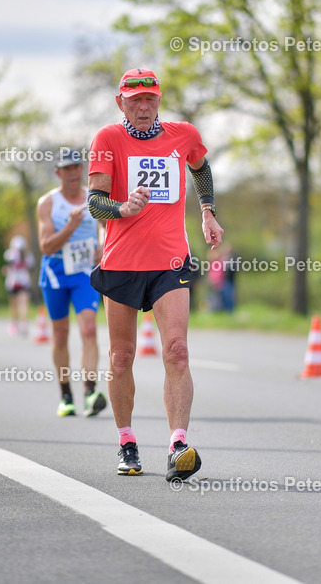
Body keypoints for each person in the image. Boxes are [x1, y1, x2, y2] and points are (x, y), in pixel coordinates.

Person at [87, 68, 223, 481]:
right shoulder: (108, 139)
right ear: (120, 103)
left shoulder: (182, 134)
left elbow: (200, 166)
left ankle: (178, 445)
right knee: (122, 355)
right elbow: (95, 203)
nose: (143, 107)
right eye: (135, 100)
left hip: (169, 261)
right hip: (122, 262)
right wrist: (122, 209)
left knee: (177, 351)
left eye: (150, 99)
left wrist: (207, 211)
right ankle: (127, 442)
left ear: (159, 100)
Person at [37, 151, 106, 417]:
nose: (74, 173)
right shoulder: (48, 203)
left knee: (89, 329)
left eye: (77, 167)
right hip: (55, 272)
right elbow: (45, 246)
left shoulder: (93, 198)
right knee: (61, 334)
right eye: (67, 169)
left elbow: (106, 226)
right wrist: (70, 227)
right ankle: (66, 395)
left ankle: (90, 392)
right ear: (58, 173)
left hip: (83, 272)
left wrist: (103, 245)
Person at [2, 236, 34, 336]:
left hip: (20, 281)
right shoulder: (12, 255)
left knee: (21, 304)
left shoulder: (27, 256)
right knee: (16, 305)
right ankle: (17, 324)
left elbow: (30, 268)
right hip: (15, 282)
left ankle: (21, 324)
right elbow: (7, 267)